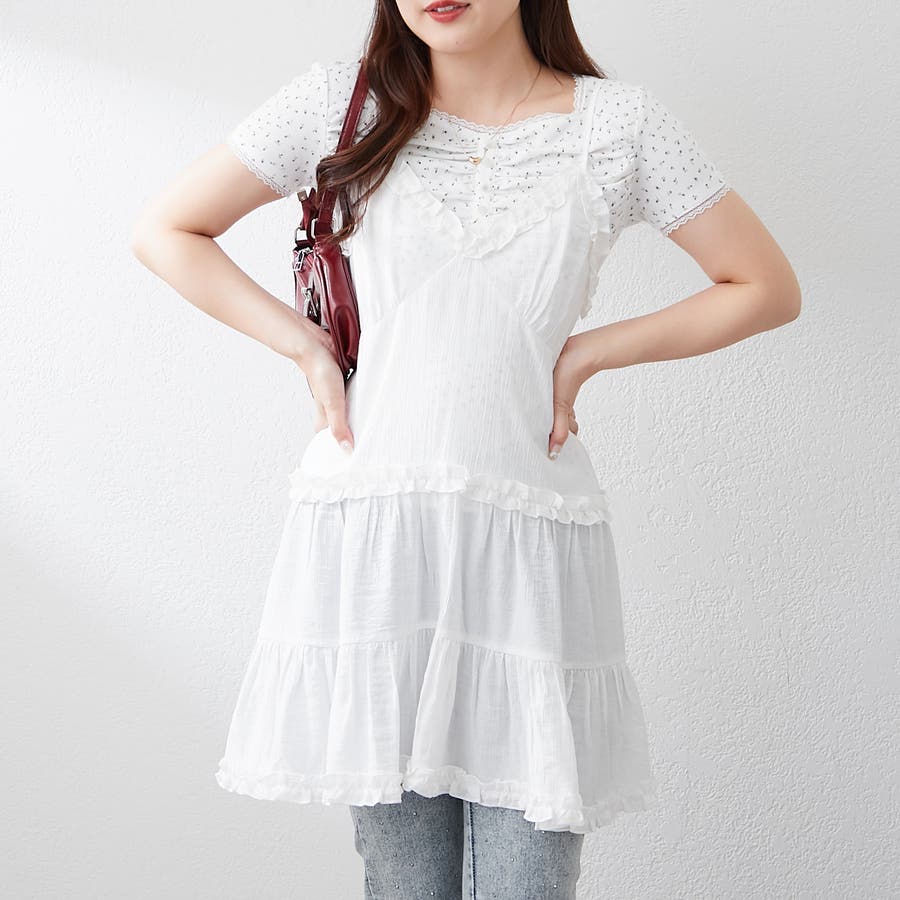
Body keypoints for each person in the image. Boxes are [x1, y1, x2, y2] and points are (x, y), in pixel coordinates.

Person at [131, 1, 801, 897]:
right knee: (405, 880)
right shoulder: (339, 105)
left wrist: (591, 352)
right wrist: (304, 347)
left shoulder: (618, 126)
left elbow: (763, 285)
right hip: (376, 544)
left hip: (527, 544)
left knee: (530, 877)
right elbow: (167, 230)